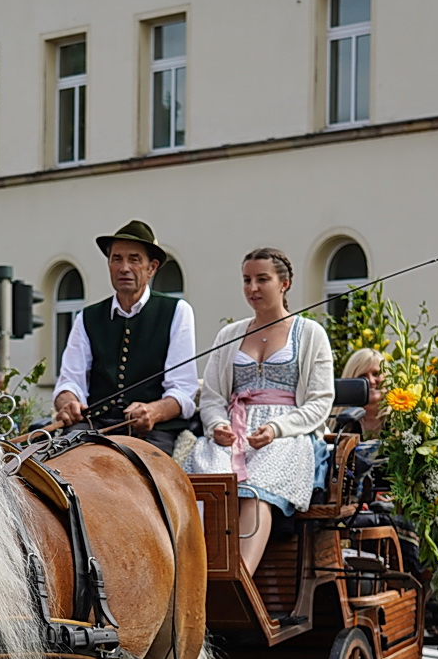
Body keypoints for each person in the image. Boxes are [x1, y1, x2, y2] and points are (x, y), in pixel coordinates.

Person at [186, 248, 334, 575]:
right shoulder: (229, 336)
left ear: (285, 283)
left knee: (255, 488)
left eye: (262, 279)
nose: (252, 288)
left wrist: (276, 429)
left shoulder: (310, 334)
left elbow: (320, 403)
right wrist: (217, 426)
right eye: (247, 280)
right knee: (209, 477)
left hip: (288, 436)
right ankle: (194, 574)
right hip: (234, 431)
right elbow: (211, 397)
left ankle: (239, 580)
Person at [52, 219, 197, 454]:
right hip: (93, 425)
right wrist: (67, 402)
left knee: (150, 479)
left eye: (134, 259)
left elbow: (183, 390)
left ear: (152, 268)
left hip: (151, 430)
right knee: (54, 470)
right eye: (116, 259)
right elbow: (70, 380)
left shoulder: (177, 311)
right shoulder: (87, 317)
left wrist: (154, 411)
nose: (124, 267)